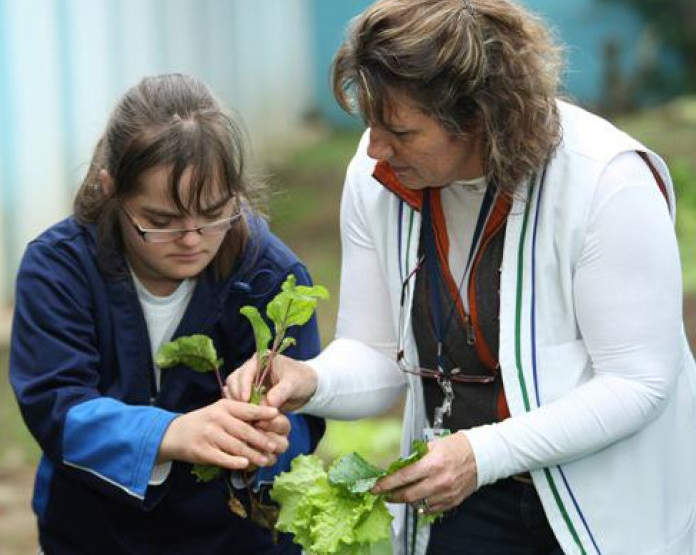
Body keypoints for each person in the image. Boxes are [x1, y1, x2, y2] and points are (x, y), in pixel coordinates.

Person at [227, 1, 696, 553]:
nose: (374, 148)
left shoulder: (605, 181)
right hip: (465, 498)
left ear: (480, 116)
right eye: (370, 123)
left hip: (603, 503)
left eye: (400, 129)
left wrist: (482, 454)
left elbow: (638, 382)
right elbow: (378, 354)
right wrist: (310, 381)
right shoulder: (377, 178)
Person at [9, 73, 325, 554]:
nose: (193, 239)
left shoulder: (269, 275)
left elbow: (304, 407)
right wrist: (170, 433)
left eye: (215, 213)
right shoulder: (59, 268)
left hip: (235, 537)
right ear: (110, 189)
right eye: (161, 221)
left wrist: (275, 440)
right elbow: (56, 406)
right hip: (92, 531)